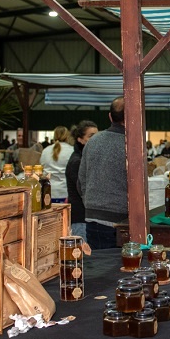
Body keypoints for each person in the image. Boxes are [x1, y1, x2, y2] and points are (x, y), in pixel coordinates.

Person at [78, 98, 127, 249]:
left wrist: (92, 202)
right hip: (121, 220)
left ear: (110, 117)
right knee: (124, 268)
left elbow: (81, 181)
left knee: (99, 267)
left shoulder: (93, 141)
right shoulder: (132, 143)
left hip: (94, 217)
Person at [66, 120, 99, 240]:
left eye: (97, 135)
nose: (95, 139)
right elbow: (84, 190)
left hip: (88, 216)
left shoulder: (85, 158)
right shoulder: (77, 161)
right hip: (80, 218)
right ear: (80, 139)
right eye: (91, 136)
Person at [39, 126, 75, 203]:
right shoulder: (72, 151)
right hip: (65, 193)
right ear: (67, 136)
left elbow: (41, 169)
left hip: (48, 192)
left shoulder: (45, 151)